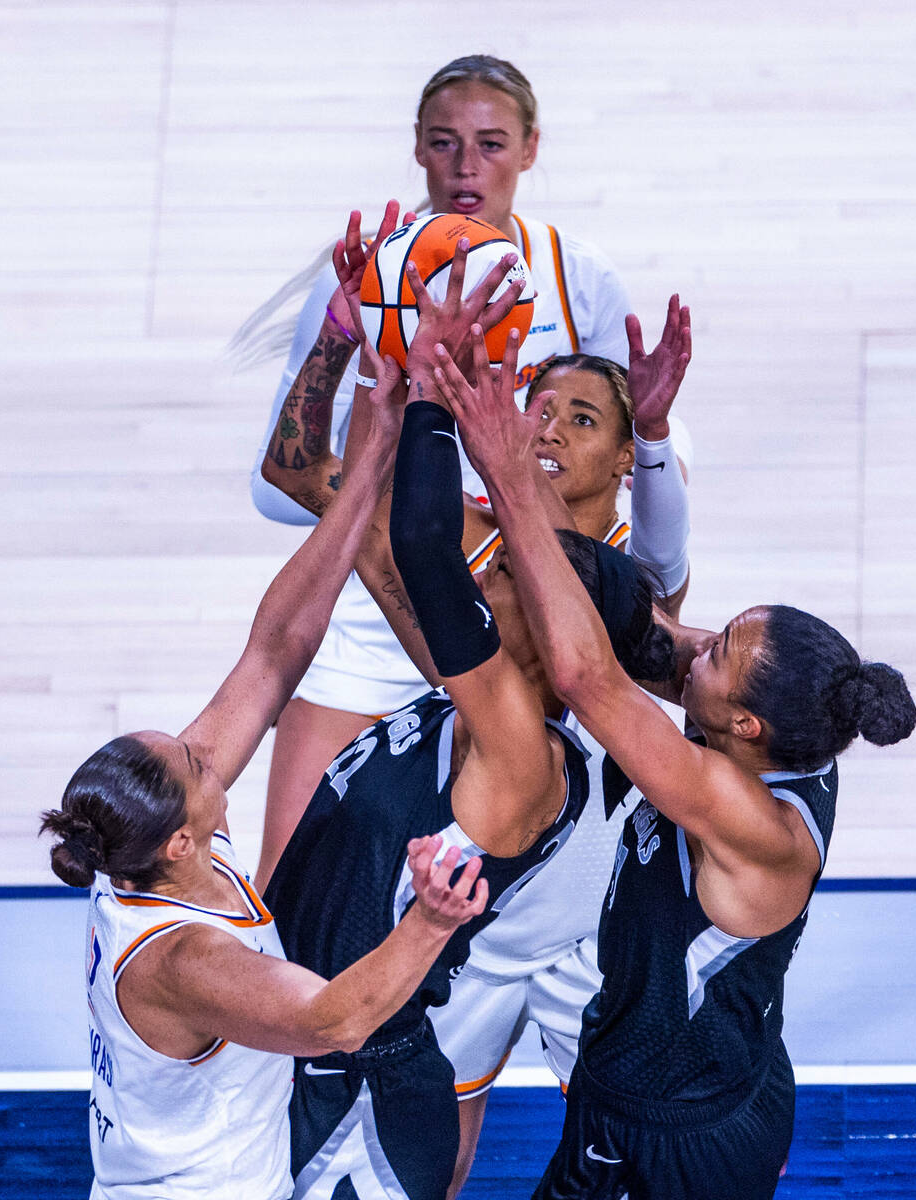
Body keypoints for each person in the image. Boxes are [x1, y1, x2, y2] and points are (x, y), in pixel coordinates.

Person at [259, 212, 695, 1190]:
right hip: (481, 876)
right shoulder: (473, 534)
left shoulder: (624, 582)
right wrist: (344, 330)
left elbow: (667, 572)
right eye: (538, 406)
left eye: (580, 419)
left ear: (621, 462)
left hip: (586, 891)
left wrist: (656, 433)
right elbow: (295, 473)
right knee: (430, 1118)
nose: (546, 427)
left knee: (638, 1137)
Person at [434, 327, 916, 1199]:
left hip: (678, 1133)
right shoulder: (785, 725)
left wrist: (506, 473)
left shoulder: (755, 823)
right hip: (666, 1086)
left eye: (719, 651)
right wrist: (629, 443)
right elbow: (617, 613)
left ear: (742, 724)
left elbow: (589, 678)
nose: (696, 645)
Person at [37, 386, 490, 1200]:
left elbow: (277, 650)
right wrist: (432, 920)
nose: (211, 749)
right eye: (198, 765)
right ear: (183, 841)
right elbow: (335, 1021)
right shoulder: (186, 959)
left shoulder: (138, 842)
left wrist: (371, 456)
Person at [241, 54, 643, 893]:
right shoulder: (358, 278)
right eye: (444, 143)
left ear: (531, 149)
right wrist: (346, 344)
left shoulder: (580, 277)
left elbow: (618, 456)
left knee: (487, 914)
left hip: (511, 632)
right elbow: (275, 484)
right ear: (417, 150)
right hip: (371, 627)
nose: (467, 167)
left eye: (491, 144)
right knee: (291, 902)